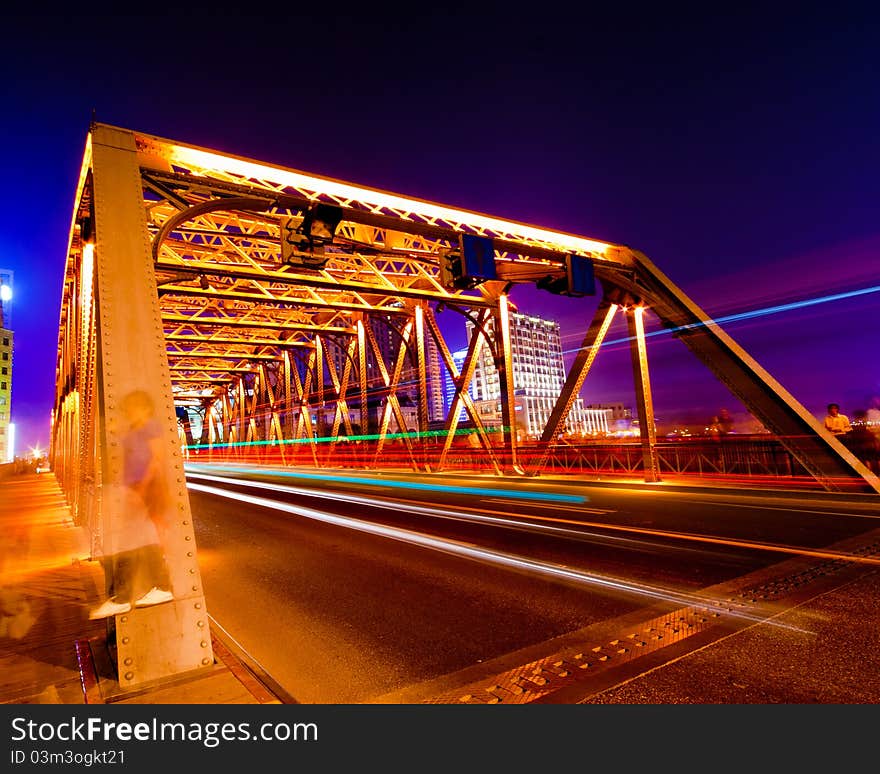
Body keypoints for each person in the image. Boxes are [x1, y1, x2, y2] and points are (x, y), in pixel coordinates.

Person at [90, 390, 175, 619]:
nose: (129, 411)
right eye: (128, 408)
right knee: (141, 541)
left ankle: (125, 597)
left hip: (146, 491)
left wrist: (143, 488)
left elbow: (157, 458)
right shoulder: (133, 431)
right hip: (135, 491)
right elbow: (126, 446)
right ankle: (153, 590)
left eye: (133, 407)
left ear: (145, 409)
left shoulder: (151, 426)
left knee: (134, 542)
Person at [846, 410, 880, 475]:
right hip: (869, 446)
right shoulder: (865, 426)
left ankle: (870, 473)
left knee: (868, 460)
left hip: (864, 446)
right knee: (875, 459)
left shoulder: (856, 426)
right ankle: (876, 473)